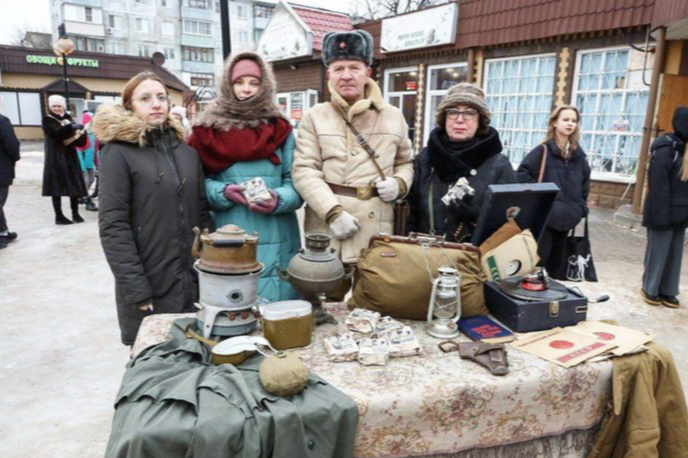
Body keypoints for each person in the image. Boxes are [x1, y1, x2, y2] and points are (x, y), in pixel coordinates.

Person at [93, 72, 214, 346]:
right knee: (154, 369)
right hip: (149, 283)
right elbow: (113, 226)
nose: (156, 104)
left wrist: (211, 270)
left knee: (196, 361)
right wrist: (136, 290)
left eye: (161, 98)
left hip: (193, 280)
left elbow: (202, 212)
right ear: (130, 106)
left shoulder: (188, 154)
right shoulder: (118, 152)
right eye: (145, 98)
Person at [292, 30, 414, 298]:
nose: (346, 75)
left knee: (374, 302)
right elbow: (304, 171)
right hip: (327, 227)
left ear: (367, 72)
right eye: (338, 68)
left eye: (354, 68)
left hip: (376, 226)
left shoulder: (393, 116)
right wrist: (332, 213)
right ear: (329, 74)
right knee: (324, 301)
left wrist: (400, 183)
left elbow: (406, 162)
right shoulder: (315, 117)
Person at [188, 52, 302, 301]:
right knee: (235, 311)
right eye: (239, 82)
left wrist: (278, 199)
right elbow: (194, 185)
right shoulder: (206, 131)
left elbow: (296, 183)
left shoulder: (279, 128)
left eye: (254, 83)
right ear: (227, 85)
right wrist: (223, 192)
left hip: (278, 234)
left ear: (265, 86)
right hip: (227, 236)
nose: (246, 89)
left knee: (280, 317)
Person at [406, 83, 515, 241]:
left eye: (469, 113)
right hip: (424, 253)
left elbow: (509, 221)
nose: (459, 120)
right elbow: (411, 211)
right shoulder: (426, 158)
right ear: (444, 118)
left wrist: (478, 217)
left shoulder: (498, 165)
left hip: (471, 257)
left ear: (480, 120)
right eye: (452, 112)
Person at [517, 105, 591, 277]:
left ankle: (554, 300)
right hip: (545, 220)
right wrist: (539, 202)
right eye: (565, 119)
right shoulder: (542, 151)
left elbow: (584, 186)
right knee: (537, 265)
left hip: (568, 220)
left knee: (558, 268)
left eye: (574, 121)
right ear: (555, 123)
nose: (570, 124)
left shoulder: (579, 156)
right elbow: (521, 176)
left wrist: (580, 208)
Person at [640, 106, 688, 308]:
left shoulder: (679, 149)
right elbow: (658, 186)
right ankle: (652, 289)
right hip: (664, 212)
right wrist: (661, 217)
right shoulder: (666, 149)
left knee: (673, 254)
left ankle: (667, 291)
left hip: (679, 212)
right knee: (660, 253)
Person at [41, 95, 88, 225]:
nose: (57, 108)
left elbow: (79, 143)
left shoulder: (68, 120)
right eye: (54, 106)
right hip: (55, 158)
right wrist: (72, 127)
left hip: (70, 157)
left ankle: (75, 213)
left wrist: (80, 134)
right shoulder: (47, 120)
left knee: (74, 185)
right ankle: (59, 215)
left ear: (63, 107)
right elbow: (57, 135)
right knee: (56, 188)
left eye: (59, 106)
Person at [0, 102, 21, 249]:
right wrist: (14, 157)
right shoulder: (2, 121)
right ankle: (1, 235)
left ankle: (3, 231)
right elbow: (11, 144)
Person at [75, 110, 98, 211]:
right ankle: (86, 198)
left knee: (92, 179)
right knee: (86, 180)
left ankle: (81, 195)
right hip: (82, 164)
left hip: (90, 164)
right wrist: (81, 166)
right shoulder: (81, 135)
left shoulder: (94, 136)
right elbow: (78, 151)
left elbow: (95, 151)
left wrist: (97, 164)